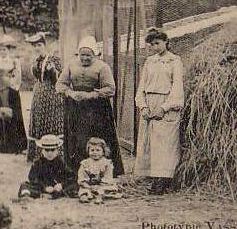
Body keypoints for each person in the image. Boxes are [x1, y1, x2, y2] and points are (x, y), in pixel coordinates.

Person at [55, 35, 123, 180]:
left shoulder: (102, 67)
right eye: (82, 55)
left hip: (97, 108)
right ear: (78, 54)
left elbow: (110, 88)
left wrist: (92, 95)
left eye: (88, 55)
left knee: (96, 137)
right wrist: (70, 93)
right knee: (77, 138)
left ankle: (101, 171)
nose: (85, 58)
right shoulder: (71, 65)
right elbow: (60, 85)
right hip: (76, 107)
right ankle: (75, 170)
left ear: (95, 54)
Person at [134, 28, 184, 195]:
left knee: (165, 143)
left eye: (158, 43)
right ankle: (153, 177)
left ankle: (163, 180)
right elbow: (142, 86)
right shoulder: (150, 61)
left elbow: (177, 88)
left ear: (166, 42)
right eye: (152, 44)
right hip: (150, 102)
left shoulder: (174, 61)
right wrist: (143, 106)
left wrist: (164, 108)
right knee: (151, 142)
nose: (155, 46)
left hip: (166, 103)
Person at [25, 32, 64, 162]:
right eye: (34, 45)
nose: (37, 48)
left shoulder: (54, 59)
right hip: (39, 95)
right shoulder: (36, 61)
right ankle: (38, 155)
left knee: (51, 120)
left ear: (45, 45)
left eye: (39, 45)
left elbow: (60, 78)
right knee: (38, 121)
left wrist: (53, 71)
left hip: (52, 95)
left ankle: (55, 154)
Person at [18, 134, 69, 199]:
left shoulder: (61, 163)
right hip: (42, 188)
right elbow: (32, 178)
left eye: (53, 150)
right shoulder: (37, 163)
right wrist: (44, 187)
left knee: (73, 186)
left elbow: (70, 177)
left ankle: (48, 195)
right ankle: (40, 195)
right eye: (47, 150)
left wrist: (61, 185)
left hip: (57, 188)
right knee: (24, 185)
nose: (50, 153)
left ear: (57, 151)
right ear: (42, 150)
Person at [77, 137, 118, 204]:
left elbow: (108, 177)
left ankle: (99, 197)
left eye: (98, 150)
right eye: (92, 150)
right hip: (89, 185)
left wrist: (100, 186)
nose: (95, 152)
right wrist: (88, 186)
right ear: (88, 151)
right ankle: (84, 196)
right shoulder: (85, 163)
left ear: (103, 152)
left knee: (109, 188)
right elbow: (82, 177)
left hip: (103, 185)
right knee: (83, 189)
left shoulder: (107, 163)